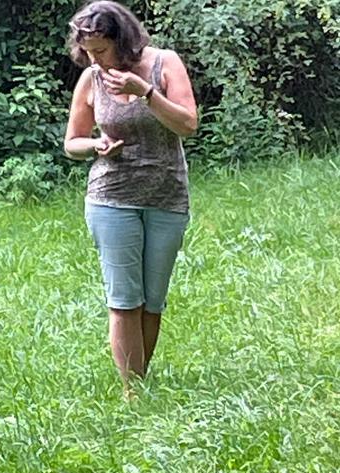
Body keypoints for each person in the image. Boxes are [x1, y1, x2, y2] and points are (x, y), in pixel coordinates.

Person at [64, 1, 197, 394]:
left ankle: (140, 380)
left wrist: (145, 92)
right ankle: (132, 392)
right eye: (88, 52)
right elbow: (72, 142)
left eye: (101, 50)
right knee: (124, 299)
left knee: (152, 301)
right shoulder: (91, 79)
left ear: (123, 41)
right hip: (111, 196)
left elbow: (188, 125)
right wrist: (95, 145)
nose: (95, 59)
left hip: (166, 195)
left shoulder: (164, 64)